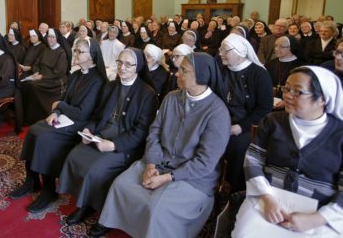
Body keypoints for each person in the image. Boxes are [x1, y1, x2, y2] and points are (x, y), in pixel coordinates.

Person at [98, 53, 231, 238]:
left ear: (201, 76)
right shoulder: (171, 98)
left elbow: (205, 163)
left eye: (183, 70)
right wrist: (151, 164)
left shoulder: (218, 113)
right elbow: (154, 133)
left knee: (157, 208)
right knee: (120, 185)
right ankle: (122, 224)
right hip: (159, 161)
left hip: (192, 177)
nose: (176, 74)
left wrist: (167, 177)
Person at [232, 66, 343, 238]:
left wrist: (317, 219)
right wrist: (266, 198)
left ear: (322, 99)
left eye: (298, 91)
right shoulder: (272, 121)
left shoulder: (339, 134)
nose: (287, 95)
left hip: (322, 211)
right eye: (286, 88)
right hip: (267, 197)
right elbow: (253, 160)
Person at [58, 48, 157, 234]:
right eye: (120, 62)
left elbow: (142, 132)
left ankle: (105, 217)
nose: (122, 67)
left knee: (95, 169)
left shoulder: (147, 93)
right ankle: (85, 204)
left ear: (138, 67)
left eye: (128, 64)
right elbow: (97, 116)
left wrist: (113, 145)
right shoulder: (111, 86)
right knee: (74, 156)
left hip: (125, 145)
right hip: (101, 135)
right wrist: (89, 129)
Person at [10, 39, 106, 212]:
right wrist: (56, 112)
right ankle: (31, 181)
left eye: (79, 51)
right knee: (33, 130)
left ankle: (48, 190)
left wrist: (59, 107)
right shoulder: (76, 74)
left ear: (92, 55)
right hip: (66, 118)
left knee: (45, 137)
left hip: (81, 124)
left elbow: (83, 112)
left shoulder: (98, 80)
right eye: (75, 50)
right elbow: (64, 100)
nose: (75, 53)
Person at [219, 33, 273, 193]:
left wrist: (240, 127)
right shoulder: (222, 70)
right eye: (220, 49)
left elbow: (265, 107)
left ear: (240, 52)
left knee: (238, 146)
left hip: (247, 125)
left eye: (225, 50)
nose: (221, 53)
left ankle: (236, 189)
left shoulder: (259, 74)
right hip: (221, 121)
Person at [21, 28, 70, 124]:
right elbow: (36, 64)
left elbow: (59, 72)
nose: (50, 39)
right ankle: (28, 116)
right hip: (42, 76)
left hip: (55, 80)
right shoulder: (46, 50)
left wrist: (42, 76)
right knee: (25, 84)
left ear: (57, 38)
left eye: (52, 37)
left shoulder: (61, 52)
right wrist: (36, 72)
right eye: (48, 37)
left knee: (32, 86)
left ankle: (39, 115)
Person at [265, 36, 305, 107]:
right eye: (276, 46)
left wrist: (286, 102)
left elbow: (302, 90)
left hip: (292, 103)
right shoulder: (269, 64)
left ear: (291, 48)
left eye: (281, 47)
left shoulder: (302, 66)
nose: (276, 49)